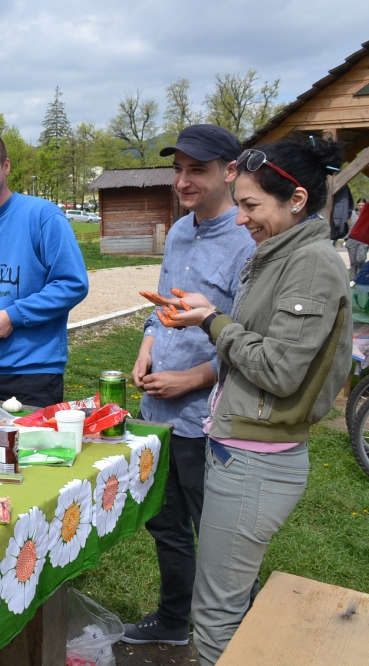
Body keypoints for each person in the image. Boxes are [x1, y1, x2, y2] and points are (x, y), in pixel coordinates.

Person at [144, 134, 351, 666]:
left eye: (252, 205)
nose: (241, 219)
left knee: (217, 614)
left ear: (297, 200)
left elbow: (280, 369)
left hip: (258, 459)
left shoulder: (309, 263)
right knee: (222, 597)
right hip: (239, 446)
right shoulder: (279, 252)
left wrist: (213, 321)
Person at [123, 125, 255, 646]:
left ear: (230, 171)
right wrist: (146, 350)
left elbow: (249, 342)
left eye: (196, 170)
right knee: (166, 525)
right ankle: (175, 619)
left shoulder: (249, 241)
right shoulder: (178, 231)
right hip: (157, 414)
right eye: (178, 169)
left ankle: (242, 635)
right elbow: (162, 312)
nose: (183, 180)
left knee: (219, 537)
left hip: (209, 420)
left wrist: (192, 379)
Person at [0, 131, 89, 407]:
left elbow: (72, 283)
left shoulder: (43, 216)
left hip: (35, 371)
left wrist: (14, 315)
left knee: (30, 451)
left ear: (6, 166)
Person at [347, 198, 367, 281]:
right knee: (353, 261)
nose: (361, 207)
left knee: (360, 259)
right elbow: (348, 225)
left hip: (363, 240)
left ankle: (361, 276)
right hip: (351, 239)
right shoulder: (351, 214)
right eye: (359, 205)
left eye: (363, 205)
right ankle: (353, 279)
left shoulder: (367, 214)